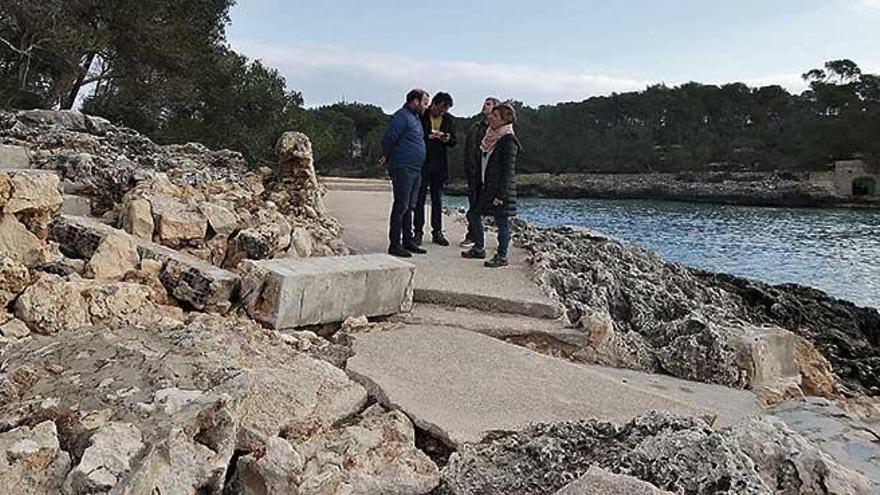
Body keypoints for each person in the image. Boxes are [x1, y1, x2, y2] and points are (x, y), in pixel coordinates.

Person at [461, 103, 520, 267]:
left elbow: (508, 170)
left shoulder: (508, 140)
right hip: (485, 186)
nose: (491, 118)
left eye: (495, 116)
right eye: (491, 115)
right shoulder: (489, 135)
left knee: (502, 221)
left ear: (504, 119)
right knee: (473, 214)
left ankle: (502, 256)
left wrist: (501, 195)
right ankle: (479, 248)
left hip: (501, 190)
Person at [380, 89, 430, 258]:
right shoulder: (401, 117)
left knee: (410, 206)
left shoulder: (415, 118)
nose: (426, 107)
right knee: (401, 205)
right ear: (415, 101)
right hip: (403, 167)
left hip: (415, 168)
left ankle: (408, 241)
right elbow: (389, 137)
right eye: (424, 103)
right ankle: (394, 244)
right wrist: (385, 155)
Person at [414, 92, 456, 246]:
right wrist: (428, 137)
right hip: (423, 162)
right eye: (441, 109)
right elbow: (415, 135)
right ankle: (417, 232)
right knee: (419, 199)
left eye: (445, 111)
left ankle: (437, 232)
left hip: (439, 164)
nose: (442, 112)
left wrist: (447, 138)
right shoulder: (422, 115)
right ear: (434, 103)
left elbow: (454, 141)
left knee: (437, 199)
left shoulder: (448, 119)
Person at [461, 97, 500, 247]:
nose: (484, 105)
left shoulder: (499, 130)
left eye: (488, 104)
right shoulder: (475, 127)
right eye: (484, 103)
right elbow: (468, 150)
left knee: (491, 208)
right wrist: (468, 171)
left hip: (489, 174)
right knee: (474, 206)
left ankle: (499, 239)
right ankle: (473, 236)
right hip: (474, 172)